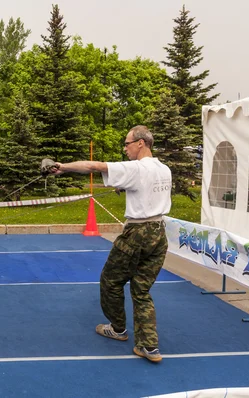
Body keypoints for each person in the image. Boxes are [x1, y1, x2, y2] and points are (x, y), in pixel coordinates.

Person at [47, 125, 172, 363]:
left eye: (127, 144)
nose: (124, 149)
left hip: (138, 232)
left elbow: (94, 166)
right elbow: (149, 190)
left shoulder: (136, 168)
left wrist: (61, 167)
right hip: (159, 233)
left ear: (140, 143)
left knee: (110, 281)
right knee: (141, 290)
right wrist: (124, 186)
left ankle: (118, 329)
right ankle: (149, 346)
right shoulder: (164, 169)